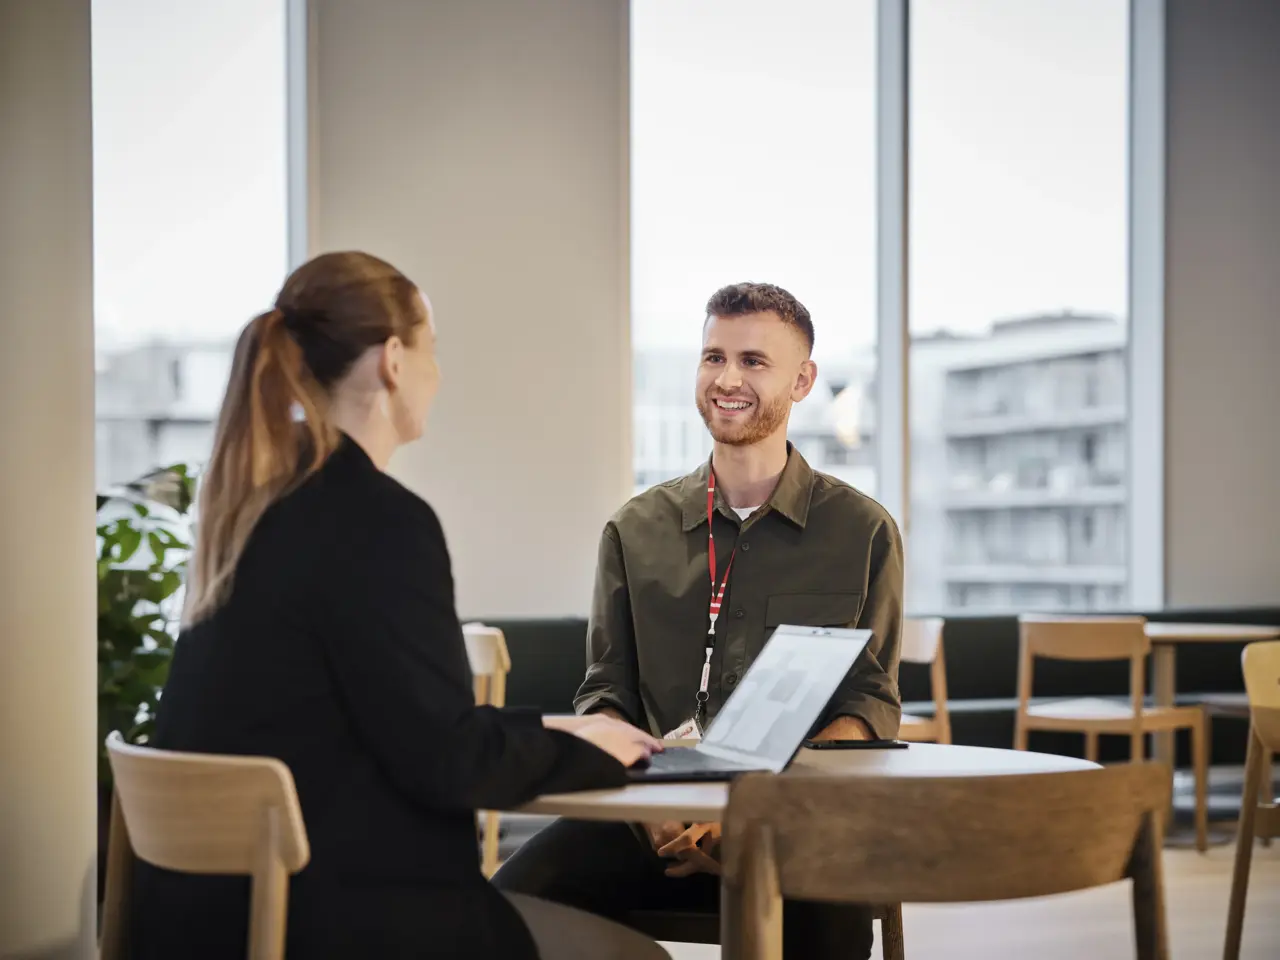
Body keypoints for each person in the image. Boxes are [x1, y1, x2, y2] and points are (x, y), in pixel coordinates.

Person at [129, 251, 669, 960]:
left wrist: (555, 727)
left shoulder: (252, 514)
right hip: (342, 922)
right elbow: (447, 761)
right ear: (391, 360)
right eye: (431, 350)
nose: (436, 375)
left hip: (201, 923)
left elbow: (396, 722)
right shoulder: (378, 521)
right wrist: (594, 750)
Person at [493, 282, 904, 959]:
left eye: (753, 361)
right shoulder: (635, 529)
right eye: (713, 357)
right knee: (512, 903)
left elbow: (869, 702)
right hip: (647, 820)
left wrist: (756, 812)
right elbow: (606, 692)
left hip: (791, 823)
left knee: (831, 930)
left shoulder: (863, 532)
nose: (728, 378)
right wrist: (657, 809)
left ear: (802, 381)